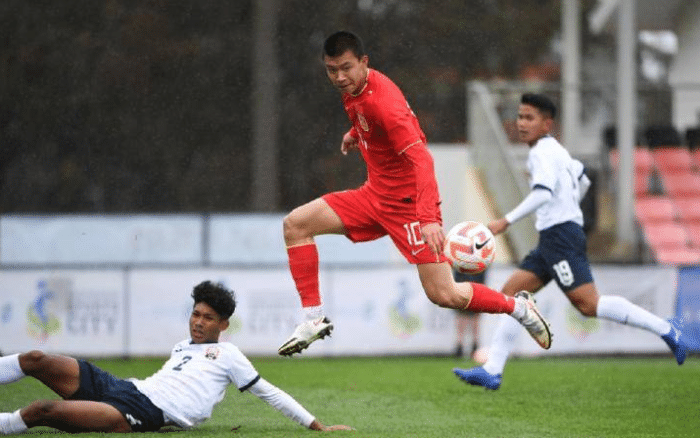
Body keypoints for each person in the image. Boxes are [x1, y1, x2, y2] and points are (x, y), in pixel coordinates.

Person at [278, 30, 552, 357]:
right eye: (331, 70)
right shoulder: (356, 89)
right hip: (373, 196)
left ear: (364, 62)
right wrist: (357, 133)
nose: (339, 77)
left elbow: (422, 158)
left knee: (445, 294)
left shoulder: (383, 103)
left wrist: (428, 219)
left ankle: (519, 308)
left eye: (346, 68)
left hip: (408, 207)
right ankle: (313, 319)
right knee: (296, 225)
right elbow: (370, 117)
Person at [453, 93, 688, 390]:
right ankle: (492, 370)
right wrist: (570, 207)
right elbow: (583, 178)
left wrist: (506, 221)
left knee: (588, 305)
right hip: (555, 235)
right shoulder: (558, 151)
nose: (522, 123)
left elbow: (543, 193)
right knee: (511, 294)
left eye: (529, 118)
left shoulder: (541, 153)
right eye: (520, 116)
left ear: (547, 124)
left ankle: (667, 328)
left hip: (560, 236)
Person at [0, 281, 352, 434]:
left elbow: (270, 393)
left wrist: (317, 426)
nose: (198, 322)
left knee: (41, 410)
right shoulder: (182, 346)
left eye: (208, 318)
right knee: (36, 359)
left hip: (142, 413)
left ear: (224, 324)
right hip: (123, 388)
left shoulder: (228, 355)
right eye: (195, 314)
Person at [452, 270, 485, 360]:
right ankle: (462, 346)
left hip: (471, 290)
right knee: (463, 319)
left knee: (471, 320)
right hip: (466, 290)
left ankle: (472, 346)